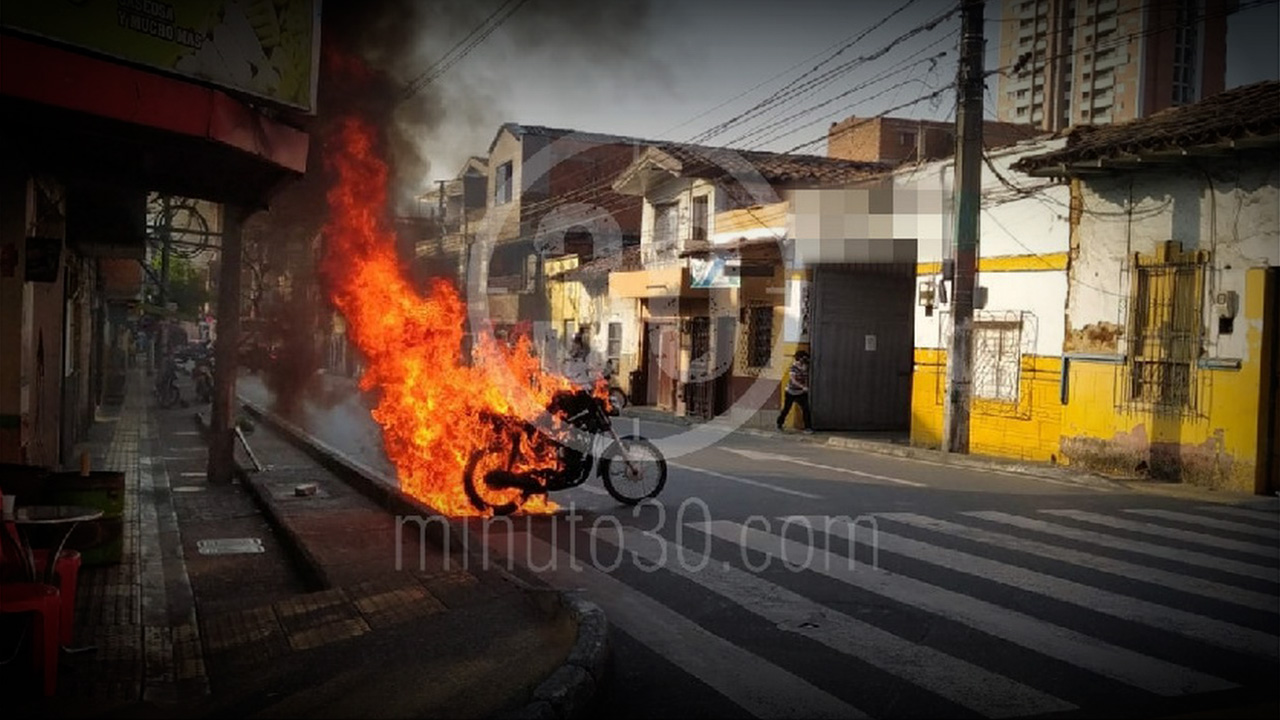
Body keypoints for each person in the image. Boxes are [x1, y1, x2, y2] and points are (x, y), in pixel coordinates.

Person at [777, 350, 812, 433]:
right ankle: (779, 423)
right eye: (803, 358)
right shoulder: (793, 367)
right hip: (791, 392)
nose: (805, 360)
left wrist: (805, 387)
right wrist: (802, 386)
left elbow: (806, 378)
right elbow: (793, 380)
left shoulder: (805, 367)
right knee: (786, 409)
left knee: (806, 409)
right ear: (799, 358)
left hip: (801, 393)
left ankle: (808, 427)